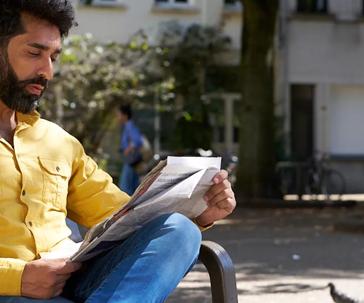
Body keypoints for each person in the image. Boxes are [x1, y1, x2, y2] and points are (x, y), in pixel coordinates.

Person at [0, 2, 236, 302]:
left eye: (53, 57)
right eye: (34, 53)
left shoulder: (58, 142)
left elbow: (125, 219)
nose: (47, 71)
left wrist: (199, 212)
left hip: (76, 284)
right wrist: (17, 278)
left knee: (179, 231)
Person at [116, 104, 143, 195]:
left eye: (119, 115)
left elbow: (137, 141)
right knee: (134, 186)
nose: (118, 117)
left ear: (125, 116)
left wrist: (128, 149)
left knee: (125, 187)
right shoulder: (127, 126)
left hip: (130, 161)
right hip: (131, 161)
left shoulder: (129, 126)